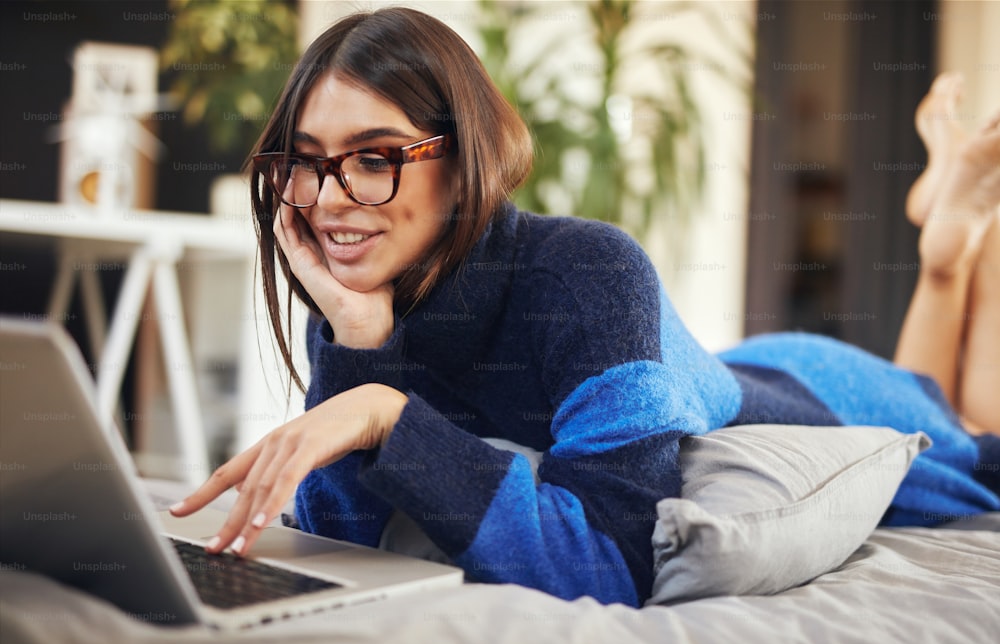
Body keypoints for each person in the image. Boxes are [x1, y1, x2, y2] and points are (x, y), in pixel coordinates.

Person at [170, 8, 1000, 607]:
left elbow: (609, 559)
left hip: (808, 387)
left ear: (466, 161)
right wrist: (357, 341)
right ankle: (945, 248)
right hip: (720, 362)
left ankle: (948, 250)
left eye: (376, 157)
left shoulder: (586, 271)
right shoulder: (363, 294)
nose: (332, 200)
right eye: (306, 162)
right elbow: (346, 540)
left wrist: (389, 409)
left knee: (959, 427)